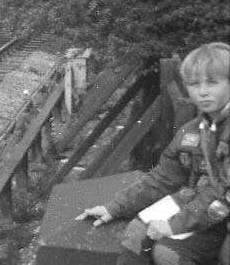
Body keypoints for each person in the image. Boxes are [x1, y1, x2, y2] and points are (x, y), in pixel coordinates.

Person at [76, 42, 230, 265]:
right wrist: (115, 207)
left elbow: (222, 194)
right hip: (198, 205)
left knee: (169, 254)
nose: (203, 91)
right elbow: (164, 177)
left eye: (212, 83)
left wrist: (174, 225)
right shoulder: (193, 129)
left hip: (220, 212)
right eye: (194, 84)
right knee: (136, 233)